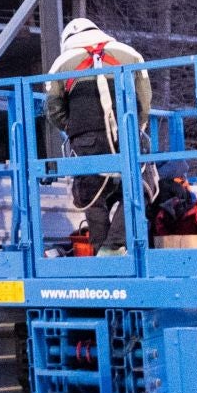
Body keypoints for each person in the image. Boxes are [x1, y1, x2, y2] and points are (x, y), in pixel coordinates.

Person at [44, 18, 154, 254]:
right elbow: (144, 98)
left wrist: (73, 126)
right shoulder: (130, 53)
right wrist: (139, 125)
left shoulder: (61, 63)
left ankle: (103, 251)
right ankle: (114, 244)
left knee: (91, 195)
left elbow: (53, 108)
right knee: (140, 187)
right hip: (127, 133)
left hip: (86, 138)